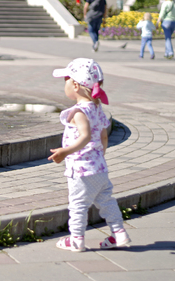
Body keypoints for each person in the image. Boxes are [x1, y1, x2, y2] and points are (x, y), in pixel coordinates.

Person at [48, 58, 131, 252]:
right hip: (99, 169)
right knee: (107, 201)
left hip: (81, 169)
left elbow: (85, 137)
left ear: (75, 85)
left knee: (78, 205)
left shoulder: (79, 112)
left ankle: (76, 239)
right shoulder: (96, 108)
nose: (65, 85)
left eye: (66, 81)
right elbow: (103, 137)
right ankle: (119, 233)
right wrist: (99, 156)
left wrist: (64, 152)